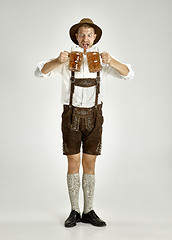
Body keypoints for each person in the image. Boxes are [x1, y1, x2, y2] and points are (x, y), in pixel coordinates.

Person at [35, 18, 134, 228]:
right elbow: (39, 72)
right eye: (82, 35)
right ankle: (74, 210)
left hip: (95, 116)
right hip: (71, 115)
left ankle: (88, 210)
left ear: (95, 37)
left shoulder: (102, 58)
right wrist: (57, 60)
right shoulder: (67, 58)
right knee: (73, 162)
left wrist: (111, 61)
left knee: (90, 164)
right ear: (76, 37)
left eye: (89, 35)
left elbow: (129, 74)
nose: (85, 39)